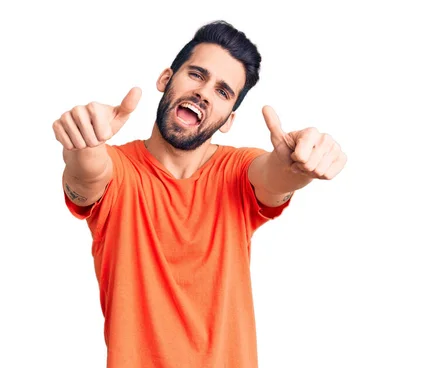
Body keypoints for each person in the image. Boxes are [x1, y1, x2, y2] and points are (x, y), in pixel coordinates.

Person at [52, 20, 346, 368]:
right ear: (166, 79)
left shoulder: (238, 170)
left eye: (223, 92)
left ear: (228, 120)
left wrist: (298, 166)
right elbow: (88, 174)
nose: (204, 93)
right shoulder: (117, 170)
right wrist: (82, 144)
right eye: (196, 75)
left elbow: (274, 177)